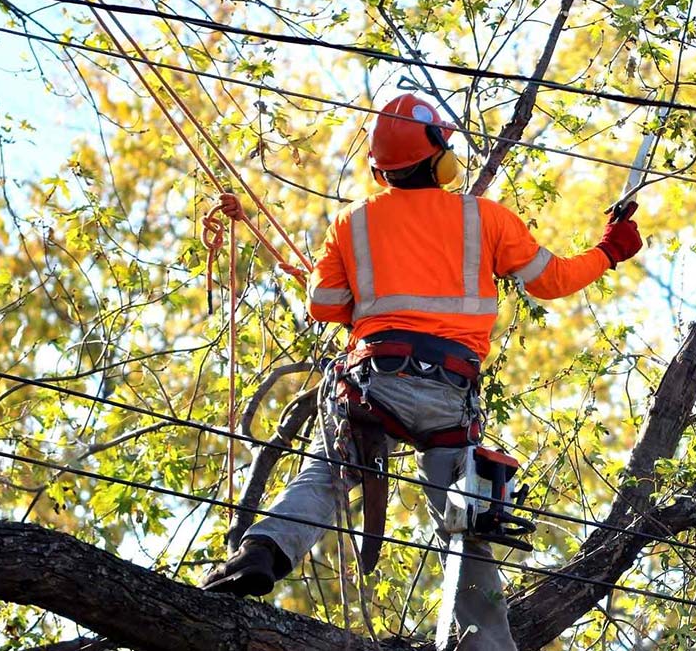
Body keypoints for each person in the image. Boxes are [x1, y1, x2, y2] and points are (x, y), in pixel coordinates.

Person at [199, 94, 643, 651]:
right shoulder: (485, 217)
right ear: (440, 159)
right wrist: (609, 250)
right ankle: (488, 646)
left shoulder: (353, 221)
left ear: (381, 169)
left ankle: (262, 551)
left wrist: (372, 300)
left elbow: (324, 304)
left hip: (373, 382)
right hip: (448, 395)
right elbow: (552, 280)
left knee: (327, 477)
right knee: (463, 519)